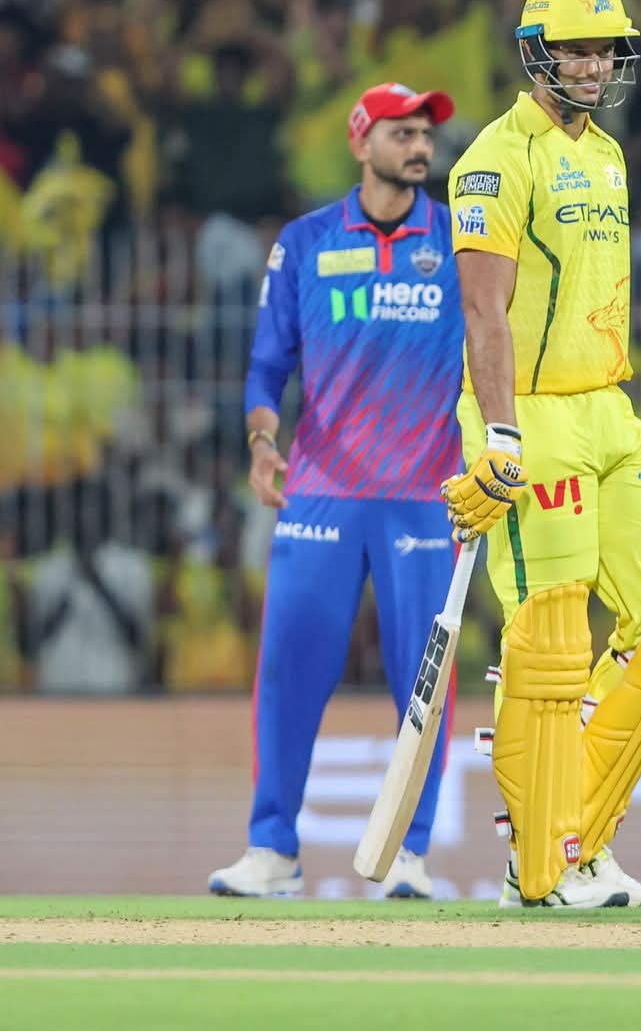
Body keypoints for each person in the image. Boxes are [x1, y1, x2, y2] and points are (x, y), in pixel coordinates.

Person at [441, 0, 641, 909]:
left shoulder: (607, 155)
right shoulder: (494, 160)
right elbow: (484, 312)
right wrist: (500, 433)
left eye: (606, 50)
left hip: (609, 407)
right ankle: (546, 863)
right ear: (537, 55)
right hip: (531, 413)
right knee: (552, 641)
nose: (595, 65)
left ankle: (576, 832)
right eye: (576, 50)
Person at [207, 82, 465, 901]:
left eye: (424, 133)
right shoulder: (306, 242)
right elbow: (266, 363)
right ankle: (272, 850)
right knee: (288, 670)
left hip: (426, 492)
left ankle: (409, 856)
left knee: (423, 684)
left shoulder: (462, 241)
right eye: (401, 132)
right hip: (322, 490)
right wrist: (261, 442)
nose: (419, 146)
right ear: (361, 143)